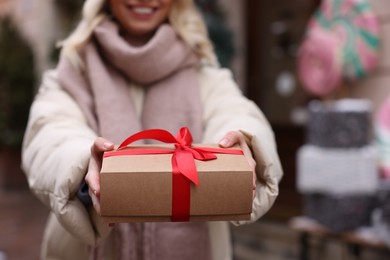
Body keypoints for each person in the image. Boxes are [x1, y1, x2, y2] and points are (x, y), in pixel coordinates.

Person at [21, 0, 283, 259]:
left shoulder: (203, 72)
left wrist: (241, 141)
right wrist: (82, 161)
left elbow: (235, 113)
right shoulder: (73, 72)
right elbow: (51, 131)